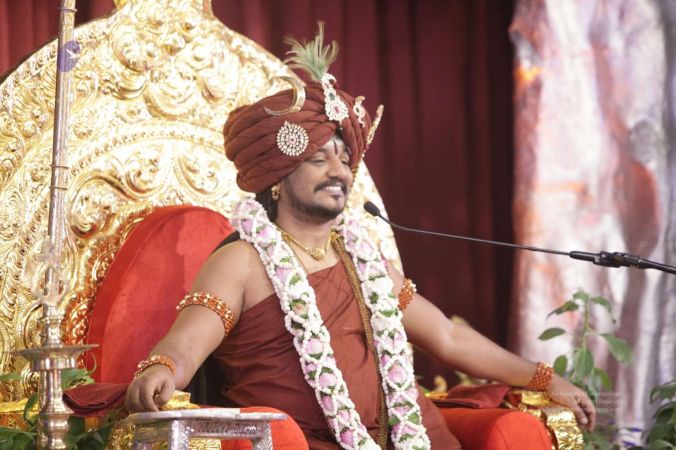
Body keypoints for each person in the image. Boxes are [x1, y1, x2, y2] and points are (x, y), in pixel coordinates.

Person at [124, 26, 596, 449]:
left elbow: (449, 337)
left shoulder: (362, 258)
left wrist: (543, 378)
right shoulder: (242, 262)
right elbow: (187, 342)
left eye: (344, 158)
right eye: (319, 159)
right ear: (276, 178)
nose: (340, 171)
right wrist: (163, 368)